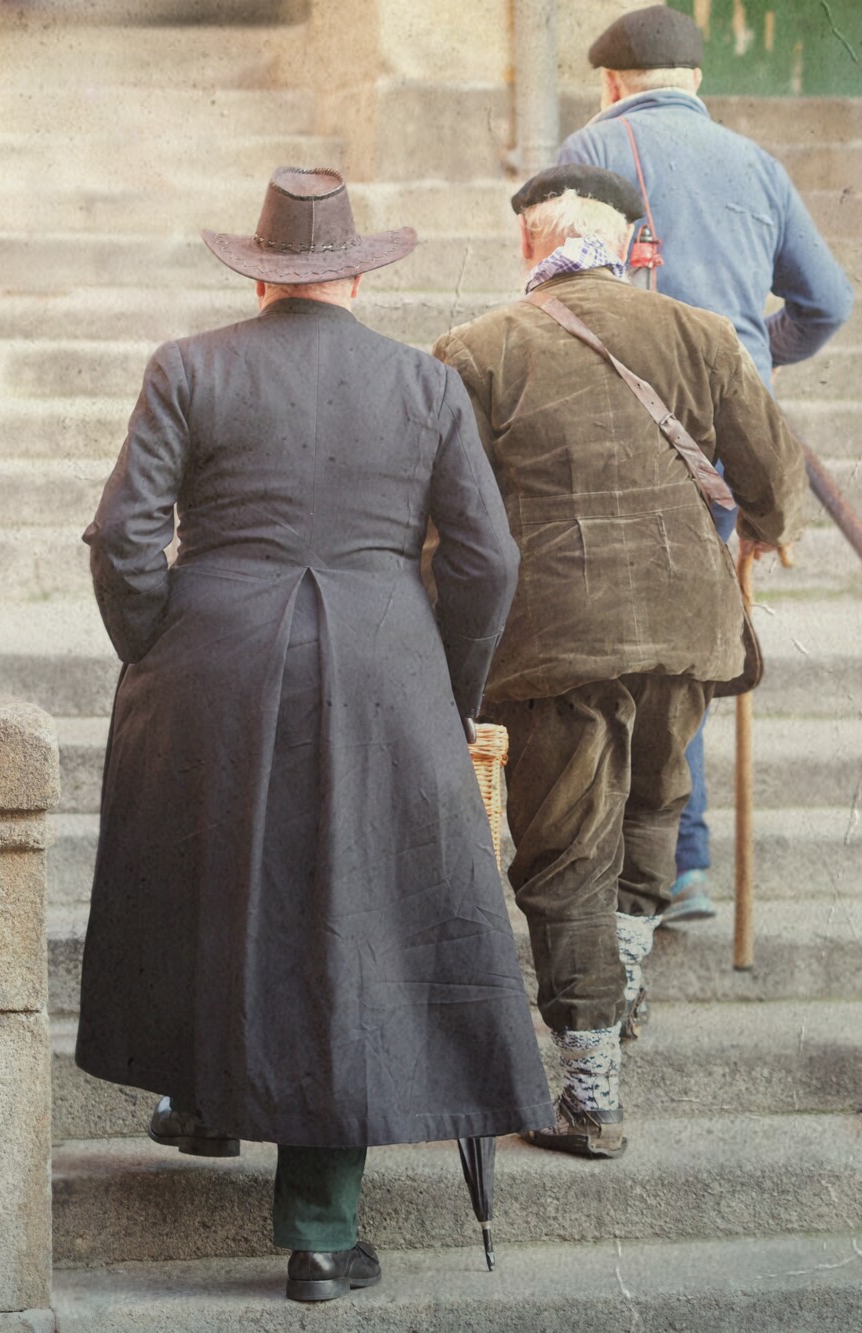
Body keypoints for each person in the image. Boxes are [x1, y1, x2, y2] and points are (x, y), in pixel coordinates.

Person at [76, 167, 553, 1303]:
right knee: (346, 916)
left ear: (258, 272)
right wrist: (444, 683)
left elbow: (122, 541)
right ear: (354, 270)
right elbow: (486, 558)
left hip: (211, 656)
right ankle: (322, 1233)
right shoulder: (422, 383)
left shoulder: (188, 366)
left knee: (211, 874)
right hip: (381, 664)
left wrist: (157, 644)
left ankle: (200, 1103)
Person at [432, 164, 807, 1159]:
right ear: (626, 247)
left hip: (550, 637)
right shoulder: (697, 332)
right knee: (656, 800)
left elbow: (454, 526)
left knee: (560, 855)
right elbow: (770, 467)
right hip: (687, 620)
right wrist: (766, 528)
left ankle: (590, 1086)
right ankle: (625, 970)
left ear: (530, 246)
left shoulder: (474, 351)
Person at [558, 3, 855, 927]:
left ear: (611, 84)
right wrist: (744, 356)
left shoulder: (588, 153)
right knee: (685, 649)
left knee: (603, 645)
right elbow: (827, 304)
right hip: (723, 450)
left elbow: (553, 300)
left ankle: (622, 862)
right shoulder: (755, 165)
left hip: (615, 434)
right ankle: (680, 867)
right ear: (697, 84)